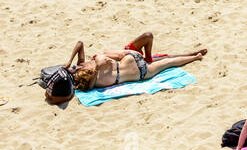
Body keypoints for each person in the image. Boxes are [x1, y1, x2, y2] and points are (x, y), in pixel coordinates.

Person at [54, 33, 207, 101]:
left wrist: (70, 65)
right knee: (164, 61)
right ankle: (192, 55)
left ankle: (194, 56)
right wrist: (99, 59)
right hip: (130, 59)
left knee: (167, 63)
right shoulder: (96, 66)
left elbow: (80, 44)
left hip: (138, 72)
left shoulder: (91, 82)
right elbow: (84, 47)